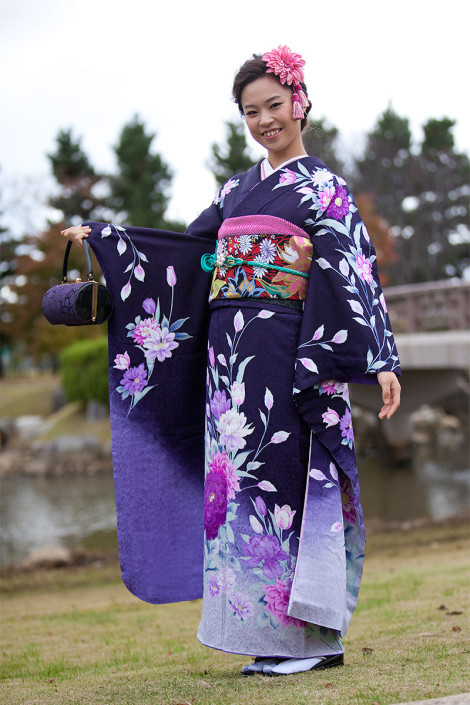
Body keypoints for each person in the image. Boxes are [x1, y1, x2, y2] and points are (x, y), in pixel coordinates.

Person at [61, 46, 401, 677]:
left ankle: (311, 642)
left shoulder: (324, 189)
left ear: (300, 102)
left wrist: (379, 355)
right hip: (229, 365)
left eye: (274, 105)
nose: (265, 120)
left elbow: (354, 269)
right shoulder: (234, 190)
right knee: (238, 491)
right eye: (251, 111)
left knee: (286, 485)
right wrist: (108, 241)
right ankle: (264, 638)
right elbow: (187, 255)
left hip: (288, 352)